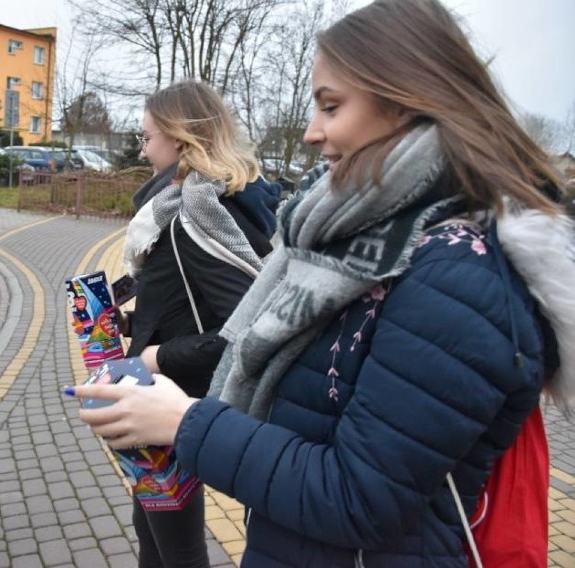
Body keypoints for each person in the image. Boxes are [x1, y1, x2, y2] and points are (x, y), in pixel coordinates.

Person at [69, 1, 574, 566]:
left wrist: (185, 421)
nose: (311, 133)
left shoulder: (455, 275)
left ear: (411, 101)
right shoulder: (358, 249)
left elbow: (359, 499)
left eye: (331, 106)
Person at [113, 80, 280, 567]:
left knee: (176, 548)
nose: (142, 151)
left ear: (181, 141)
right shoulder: (190, 209)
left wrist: (154, 356)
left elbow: (243, 332)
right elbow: (185, 309)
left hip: (177, 405)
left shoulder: (196, 219)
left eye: (147, 138)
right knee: (152, 532)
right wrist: (124, 324)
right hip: (164, 402)